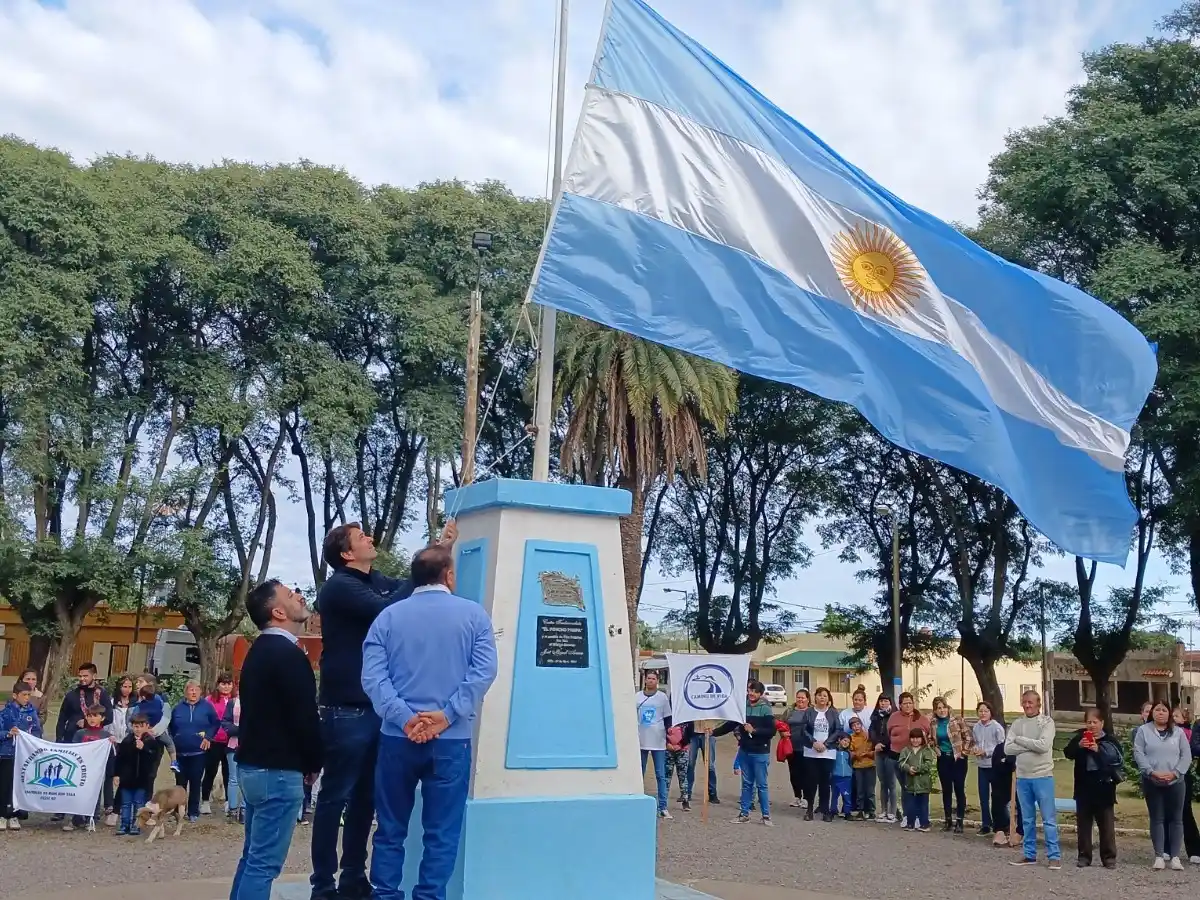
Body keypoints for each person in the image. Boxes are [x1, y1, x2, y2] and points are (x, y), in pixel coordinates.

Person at [310, 520, 455, 900]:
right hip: (348, 707)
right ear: (345, 554)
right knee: (335, 798)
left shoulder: (374, 578)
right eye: (361, 538)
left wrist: (435, 551)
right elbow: (390, 606)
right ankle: (323, 884)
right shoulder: (341, 586)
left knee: (366, 799)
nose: (370, 539)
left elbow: (409, 587)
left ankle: (354, 877)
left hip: (378, 710)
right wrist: (428, 573)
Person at [362, 543, 497, 900]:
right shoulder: (475, 616)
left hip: (397, 738)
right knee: (442, 832)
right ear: (449, 575)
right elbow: (483, 672)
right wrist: (448, 714)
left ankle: (385, 894)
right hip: (452, 740)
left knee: (390, 828)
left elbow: (373, 679)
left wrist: (406, 719)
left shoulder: (387, 618)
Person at [230, 579, 323, 900]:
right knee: (264, 864)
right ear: (278, 611)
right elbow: (304, 717)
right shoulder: (288, 655)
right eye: (290, 594)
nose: (299, 595)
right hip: (278, 771)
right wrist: (314, 762)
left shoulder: (259, 652)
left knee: (252, 858)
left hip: (254, 766)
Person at [1135, 698, 1192, 871]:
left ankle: (1175, 857)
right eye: (1157, 710)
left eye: (1164, 710)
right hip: (1152, 781)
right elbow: (1139, 753)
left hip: (1176, 781)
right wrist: (1151, 772)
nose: (1161, 713)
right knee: (1157, 818)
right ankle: (1159, 855)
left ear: (1169, 714)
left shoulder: (1178, 733)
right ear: (1152, 713)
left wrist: (1175, 773)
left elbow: (1186, 755)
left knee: (1176, 819)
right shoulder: (1143, 731)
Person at [1005, 689, 1060, 869]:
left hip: (1043, 776)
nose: (1027, 705)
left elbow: (1044, 746)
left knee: (1048, 819)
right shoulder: (1017, 723)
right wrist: (1030, 746)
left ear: (1038, 704)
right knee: (1027, 819)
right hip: (1022, 777)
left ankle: (1054, 855)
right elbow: (1007, 749)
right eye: (1025, 702)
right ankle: (1029, 854)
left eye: (1031, 702)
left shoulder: (1047, 722)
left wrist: (1020, 740)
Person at [1063, 707, 1122, 869]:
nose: (1092, 725)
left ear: (1102, 723)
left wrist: (1098, 750)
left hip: (1104, 788)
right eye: (1089, 722)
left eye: (1095, 722)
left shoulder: (1109, 740)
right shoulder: (1080, 737)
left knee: (1107, 826)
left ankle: (1109, 857)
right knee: (1083, 826)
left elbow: (1116, 760)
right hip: (1084, 788)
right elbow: (1067, 753)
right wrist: (1079, 746)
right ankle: (1084, 856)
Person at [713, 680, 776, 826]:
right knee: (746, 784)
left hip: (760, 751)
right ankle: (744, 813)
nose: (751, 693)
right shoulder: (742, 708)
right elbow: (730, 725)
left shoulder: (765, 709)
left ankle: (766, 815)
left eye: (754, 691)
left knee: (761, 784)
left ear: (760, 694)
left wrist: (754, 731)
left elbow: (771, 731)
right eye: (749, 690)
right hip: (745, 750)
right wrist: (714, 732)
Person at [170, 680, 220, 822]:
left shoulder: (207, 707)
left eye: (196, 690)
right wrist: (175, 741)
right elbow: (171, 727)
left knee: (195, 781)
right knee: (180, 783)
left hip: (198, 752)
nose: (193, 693)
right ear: (186, 692)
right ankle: (179, 811)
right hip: (180, 753)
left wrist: (208, 738)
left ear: (200, 692)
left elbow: (216, 723)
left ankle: (193, 811)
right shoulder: (178, 708)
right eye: (191, 690)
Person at [1, 680, 43, 830]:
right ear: (15, 695)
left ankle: (14, 815)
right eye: (24, 695)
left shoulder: (31, 713)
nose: (27, 698)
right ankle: (2, 814)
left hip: (24, 755)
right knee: (5, 785)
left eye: (28, 695)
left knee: (18, 785)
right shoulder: (5, 712)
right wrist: (8, 734)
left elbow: (37, 731)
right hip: (7, 754)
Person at [67, 704, 115, 831]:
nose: (92, 719)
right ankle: (76, 819)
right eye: (89, 716)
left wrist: (112, 743)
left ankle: (91, 818)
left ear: (102, 718)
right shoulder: (80, 733)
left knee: (95, 793)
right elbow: (73, 750)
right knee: (78, 792)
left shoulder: (106, 735)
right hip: (81, 769)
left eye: (95, 716)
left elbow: (111, 755)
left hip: (97, 771)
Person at [886, 693, 930, 827]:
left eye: (910, 702)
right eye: (905, 703)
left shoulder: (921, 718)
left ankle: (918, 816)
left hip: (916, 758)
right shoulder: (894, 717)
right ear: (900, 705)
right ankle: (907, 815)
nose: (908, 705)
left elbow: (928, 735)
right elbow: (889, 733)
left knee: (916, 788)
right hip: (898, 756)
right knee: (905, 788)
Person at [930, 696, 972, 833]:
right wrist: (935, 748)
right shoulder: (934, 723)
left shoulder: (957, 720)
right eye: (938, 708)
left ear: (948, 708)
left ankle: (959, 821)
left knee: (959, 788)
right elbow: (930, 739)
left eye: (943, 707)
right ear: (935, 711)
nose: (942, 710)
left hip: (958, 759)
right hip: (943, 759)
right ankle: (948, 820)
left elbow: (969, 737)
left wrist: (963, 752)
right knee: (946, 790)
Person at [797, 687, 839, 822]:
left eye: (825, 696)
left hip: (828, 752)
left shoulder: (833, 713)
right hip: (811, 752)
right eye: (819, 695)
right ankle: (809, 809)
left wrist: (826, 744)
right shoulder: (809, 712)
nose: (822, 698)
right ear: (815, 697)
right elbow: (803, 730)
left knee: (825, 783)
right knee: (810, 782)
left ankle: (825, 810)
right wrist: (814, 742)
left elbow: (837, 730)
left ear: (828, 699)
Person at [635, 671, 673, 819]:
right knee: (640, 773)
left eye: (653, 679)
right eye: (648, 678)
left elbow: (668, 719)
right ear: (645, 680)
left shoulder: (662, 698)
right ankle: (638, 801)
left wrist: (670, 740)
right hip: (641, 740)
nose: (650, 681)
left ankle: (663, 806)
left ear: (657, 681)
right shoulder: (637, 697)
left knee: (660, 774)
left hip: (658, 741)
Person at [114, 712, 159, 836]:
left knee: (138, 803)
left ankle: (136, 824)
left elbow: (153, 758)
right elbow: (119, 758)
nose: (137, 729)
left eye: (140, 726)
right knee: (126, 803)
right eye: (135, 726)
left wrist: (144, 748)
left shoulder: (151, 741)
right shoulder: (126, 740)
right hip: (126, 779)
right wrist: (117, 774)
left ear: (147, 726)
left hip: (141, 779)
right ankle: (124, 824)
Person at [201, 674, 235, 816]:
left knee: (229, 773)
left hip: (230, 741)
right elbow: (205, 719)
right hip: (214, 741)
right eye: (223, 683)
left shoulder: (236, 701)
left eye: (229, 683)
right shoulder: (210, 700)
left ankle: (229, 801)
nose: (226, 686)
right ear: (218, 684)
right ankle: (205, 801)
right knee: (210, 771)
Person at [971, 701, 1005, 836]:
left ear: (990, 712)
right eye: (980, 711)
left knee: (997, 797)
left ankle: (1001, 824)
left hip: (995, 766)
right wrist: (975, 750)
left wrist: (986, 752)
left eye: (985, 711)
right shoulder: (976, 727)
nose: (983, 713)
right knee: (983, 797)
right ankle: (986, 824)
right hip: (982, 766)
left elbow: (1001, 746)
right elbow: (975, 742)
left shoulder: (997, 727)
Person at [134, 675, 178, 773]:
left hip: (155, 738)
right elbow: (130, 719)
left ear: (150, 684)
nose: (137, 684)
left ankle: (174, 762)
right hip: (138, 739)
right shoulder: (135, 700)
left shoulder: (161, 698)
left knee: (150, 773)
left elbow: (166, 717)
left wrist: (153, 731)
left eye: (140, 682)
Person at [838, 687, 871, 814]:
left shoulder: (870, 712)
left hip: (865, 751)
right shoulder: (845, 713)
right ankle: (849, 805)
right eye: (855, 699)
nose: (857, 702)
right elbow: (840, 731)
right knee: (850, 779)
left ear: (864, 701)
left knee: (866, 783)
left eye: (860, 700)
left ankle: (866, 808)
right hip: (849, 750)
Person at [897, 727, 935, 832]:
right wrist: (908, 769)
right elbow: (901, 763)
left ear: (922, 739)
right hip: (910, 783)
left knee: (923, 805)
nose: (915, 740)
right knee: (910, 805)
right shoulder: (906, 750)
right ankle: (910, 823)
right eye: (913, 738)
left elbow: (928, 764)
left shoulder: (926, 751)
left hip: (923, 783)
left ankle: (924, 824)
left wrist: (917, 770)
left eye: (918, 738)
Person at [868, 694, 896, 822]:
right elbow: (871, 731)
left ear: (890, 702)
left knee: (891, 783)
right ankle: (883, 810)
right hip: (879, 752)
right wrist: (876, 744)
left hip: (891, 752)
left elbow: (894, 733)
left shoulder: (894, 716)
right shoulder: (875, 716)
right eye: (881, 701)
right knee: (883, 782)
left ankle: (892, 811)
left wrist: (884, 744)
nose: (883, 703)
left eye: (886, 701)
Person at [220, 689, 245, 822]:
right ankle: (233, 809)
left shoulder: (259, 702)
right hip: (233, 744)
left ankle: (245, 809)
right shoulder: (232, 703)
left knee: (247, 778)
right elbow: (225, 722)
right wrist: (240, 730)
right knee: (233, 778)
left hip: (250, 746)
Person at [784, 689, 811, 810]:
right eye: (798, 697)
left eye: (803, 698)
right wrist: (783, 733)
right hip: (791, 746)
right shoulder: (790, 711)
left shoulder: (811, 712)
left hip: (806, 747)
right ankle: (797, 796)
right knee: (793, 773)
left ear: (808, 699)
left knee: (805, 773)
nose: (800, 700)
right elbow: (782, 724)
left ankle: (806, 798)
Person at [848, 716, 876, 820]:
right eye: (853, 726)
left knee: (870, 790)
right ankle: (860, 810)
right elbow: (850, 752)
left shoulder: (869, 736)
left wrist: (868, 753)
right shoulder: (851, 738)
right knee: (860, 790)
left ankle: (871, 811)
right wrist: (855, 755)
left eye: (857, 724)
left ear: (861, 724)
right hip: (858, 767)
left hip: (870, 766)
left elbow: (875, 750)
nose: (856, 727)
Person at [664, 725, 690, 810]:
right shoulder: (667, 716)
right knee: (666, 777)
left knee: (683, 776)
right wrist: (667, 743)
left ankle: (685, 800)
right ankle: (663, 802)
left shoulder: (685, 718)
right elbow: (661, 730)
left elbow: (690, 731)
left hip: (682, 750)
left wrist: (680, 745)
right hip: (668, 750)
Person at [831, 732, 854, 819]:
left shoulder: (848, 753)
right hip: (836, 777)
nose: (846, 743)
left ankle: (847, 812)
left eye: (848, 742)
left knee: (847, 795)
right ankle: (833, 811)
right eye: (844, 741)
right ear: (839, 740)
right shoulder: (834, 751)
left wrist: (850, 773)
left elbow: (850, 764)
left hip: (846, 778)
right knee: (834, 795)